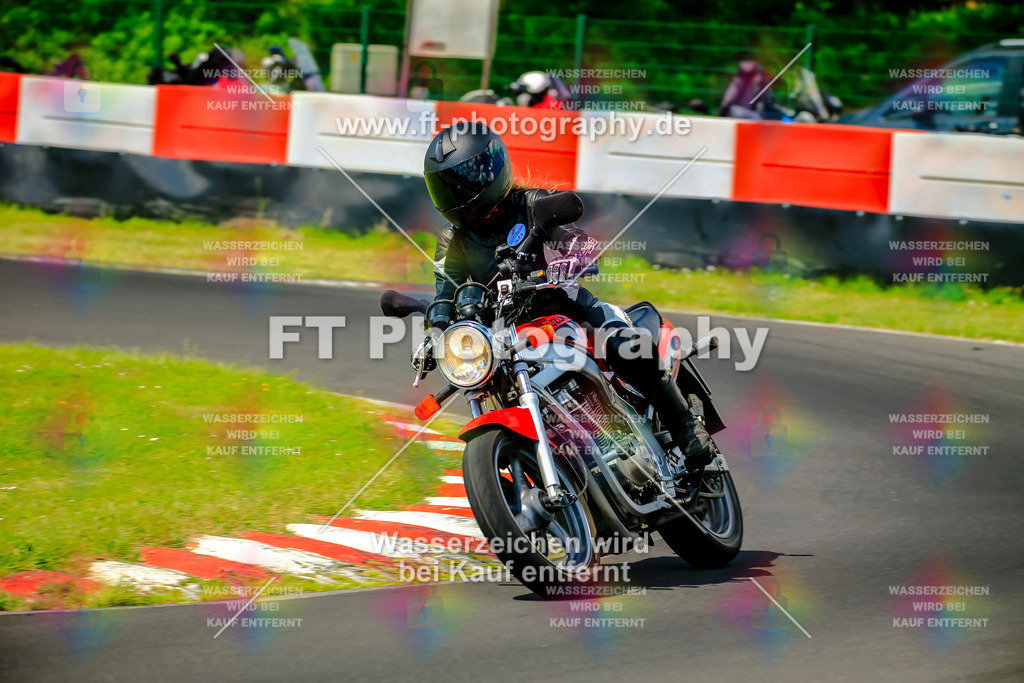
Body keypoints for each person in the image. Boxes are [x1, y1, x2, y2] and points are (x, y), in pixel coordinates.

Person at [418, 122, 712, 470]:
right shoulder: (452, 239)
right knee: (492, 384)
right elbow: (445, 291)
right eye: (446, 188)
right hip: (508, 336)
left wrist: (570, 260)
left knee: (625, 345)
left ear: (490, 171)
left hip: (569, 311)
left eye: (463, 182)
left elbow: (580, 241)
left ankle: (685, 428)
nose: (456, 195)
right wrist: (436, 328)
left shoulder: (531, 205)